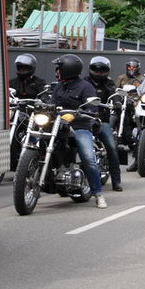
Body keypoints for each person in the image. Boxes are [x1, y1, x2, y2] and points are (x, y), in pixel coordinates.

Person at [51, 54, 107, 209]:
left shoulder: (85, 87)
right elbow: (51, 104)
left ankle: (98, 194)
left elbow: (92, 107)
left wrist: (75, 114)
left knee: (88, 157)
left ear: (67, 69)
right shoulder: (58, 86)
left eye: (59, 68)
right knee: (35, 142)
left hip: (79, 126)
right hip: (59, 126)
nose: (57, 71)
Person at [84, 56, 123, 192]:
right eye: (96, 70)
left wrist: (117, 102)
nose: (99, 73)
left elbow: (114, 94)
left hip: (101, 120)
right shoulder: (84, 82)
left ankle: (116, 181)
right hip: (83, 119)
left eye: (102, 71)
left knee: (111, 147)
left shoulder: (109, 83)